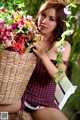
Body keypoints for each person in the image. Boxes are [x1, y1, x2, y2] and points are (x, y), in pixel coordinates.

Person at [0, 1, 71, 120]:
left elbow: (59, 77)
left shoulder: (62, 46)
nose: (44, 21)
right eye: (43, 15)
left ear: (58, 24)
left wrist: (43, 56)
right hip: (19, 97)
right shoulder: (28, 35)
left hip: (42, 104)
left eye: (51, 19)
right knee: (2, 115)